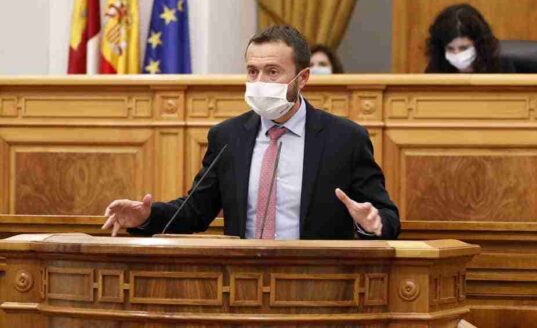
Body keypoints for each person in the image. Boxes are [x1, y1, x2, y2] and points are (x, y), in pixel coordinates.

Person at [102, 25, 400, 240]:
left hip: (317, 283)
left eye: (272, 72)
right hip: (243, 282)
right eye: (252, 71)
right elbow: (194, 212)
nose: (259, 82)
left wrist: (370, 224)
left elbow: (387, 217)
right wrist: (145, 217)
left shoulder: (345, 139)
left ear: (303, 78)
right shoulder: (228, 137)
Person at [425, 3, 511, 73]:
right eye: (450, 49)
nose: (457, 54)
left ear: (479, 44)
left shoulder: (500, 66)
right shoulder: (436, 68)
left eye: (463, 48)